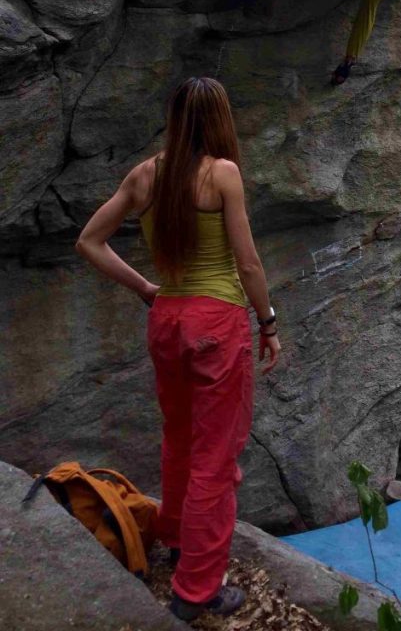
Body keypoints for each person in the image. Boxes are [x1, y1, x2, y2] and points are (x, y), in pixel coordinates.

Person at [76, 77, 281, 622]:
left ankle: (175, 538)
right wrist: (268, 322)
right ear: (220, 119)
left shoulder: (145, 174)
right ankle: (197, 590)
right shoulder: (222, 173)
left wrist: (147, 288)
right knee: (215, 458)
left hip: (167, 319)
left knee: (180, 439)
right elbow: (248, 264)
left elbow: (89, 241)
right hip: (216, 324)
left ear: (173, 117)